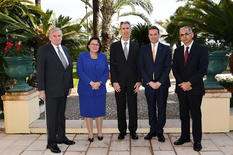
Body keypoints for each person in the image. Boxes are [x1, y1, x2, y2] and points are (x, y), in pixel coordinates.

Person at [37, 27, 75, 153]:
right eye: (55, 36)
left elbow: (68, 69)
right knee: (52, 117)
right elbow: (40, 71)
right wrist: (41, 89)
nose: (57, 38)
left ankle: (61, 137)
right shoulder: (44, 50)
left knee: (60, 115)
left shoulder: (65, 49)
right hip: (51, 90)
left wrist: (70, 85)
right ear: (50, 37)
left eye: (59, 36)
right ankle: (51, 142)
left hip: (63, 89)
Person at [172, 26, 208, 151]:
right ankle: (185, 137)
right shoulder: (177, 51)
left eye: (186, 34)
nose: (184, 36)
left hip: (195, 88)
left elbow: (202, 69)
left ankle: (197, 141)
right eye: (181, 35)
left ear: (192, 35)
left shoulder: (201, 49)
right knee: (183, 114)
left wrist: (190, 83)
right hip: (182, 88)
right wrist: (182, 83)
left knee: (196, 115)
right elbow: (175, 69)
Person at [139, 26, 171, 142]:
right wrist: (149, 82)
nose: (153, 36)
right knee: (151, 108)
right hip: (149, 85)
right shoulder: (143, 49)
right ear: (148, 36)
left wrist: (159, 82)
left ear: (159, 35)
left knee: (162, 108)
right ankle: (152, 130)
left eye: (155, 34)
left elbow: (167, 67)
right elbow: (141, 67)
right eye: (151, 34)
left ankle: (160, 131)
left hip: (162, 85)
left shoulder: (166, 49)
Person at [110, 21, 141, 140]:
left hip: (133, 83)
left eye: (128, 28)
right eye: (123, 28)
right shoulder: (114, 46)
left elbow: (139, 65)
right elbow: (112, 65)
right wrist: (114, 81)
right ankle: (122, 131)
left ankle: (133, 131)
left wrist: (139, 81)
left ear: (130, 30)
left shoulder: (136, 45)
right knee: (120, 107)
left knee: (133, 108)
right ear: (120, 30)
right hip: (119, 83)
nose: (125, 30)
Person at [76, 37, 109, 143]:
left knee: (99, 112)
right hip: (86, 89)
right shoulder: (82, 56)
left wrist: (99, 83)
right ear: (88, 45)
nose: (95, 46)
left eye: (97, 44)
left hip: (100, 88)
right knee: (88, 112)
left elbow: (106, 71)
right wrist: (91, 83)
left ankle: (100, 132)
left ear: (99, 47)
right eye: (93, 44)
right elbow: (80, 71)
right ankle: (90, 134)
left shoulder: (103, 56)